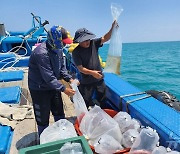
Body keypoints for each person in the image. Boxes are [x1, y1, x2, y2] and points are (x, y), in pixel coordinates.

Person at [28, 25, 77, 136]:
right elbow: (48, 77)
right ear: (55, 40)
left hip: (53, 86)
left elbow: (62, 69)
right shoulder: (41, 53)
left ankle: (62, 135)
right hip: (39, 89)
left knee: (59, 110)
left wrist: (70, 79)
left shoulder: (58, 50)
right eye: (63, 42)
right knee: (43, 117)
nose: (64, 44)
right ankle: (43, 139)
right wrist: (64, 89)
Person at [72, 20, 117, 108]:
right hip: (86, 81)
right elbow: (81, 69)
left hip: (99, 79)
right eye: (84, 40)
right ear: (79, 41)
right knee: (85, 102)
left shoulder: (93, 43)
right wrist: (92, 73)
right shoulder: (76, 52)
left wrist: (112, 28)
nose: (87, 41)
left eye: (88, 39)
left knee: (103, 99)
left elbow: (105, 38)